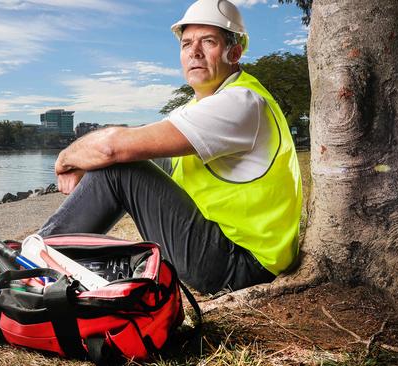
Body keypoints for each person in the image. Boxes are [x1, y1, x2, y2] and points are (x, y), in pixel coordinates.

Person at [38, 0, 302, 294]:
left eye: (209, 42)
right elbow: (138, 145)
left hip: (242, 264)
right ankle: (46, 253)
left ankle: (33, 261)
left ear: (235, 52)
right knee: (125, 162)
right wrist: (88, 167)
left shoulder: (241, 103)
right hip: (227, 249)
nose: (195, 52)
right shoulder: (198, 108)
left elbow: (113, 148)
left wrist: (65, 159)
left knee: (120, 166)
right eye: (187, 43)